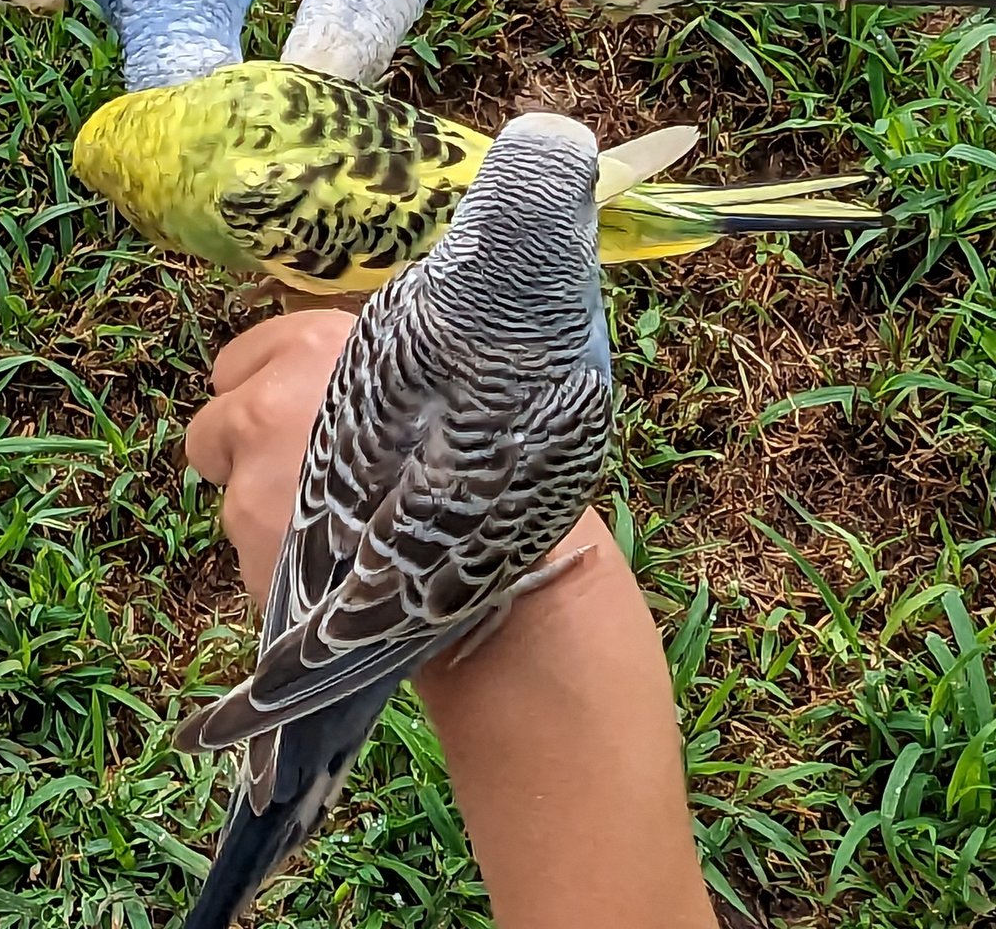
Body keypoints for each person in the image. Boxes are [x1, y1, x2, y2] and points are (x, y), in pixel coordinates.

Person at [184, 307, 719, 929]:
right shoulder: (571, 399)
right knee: (287, 784)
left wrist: (557, 619)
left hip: (346, 587)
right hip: (380, 617)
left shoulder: (404, 310)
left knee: (278, 787)